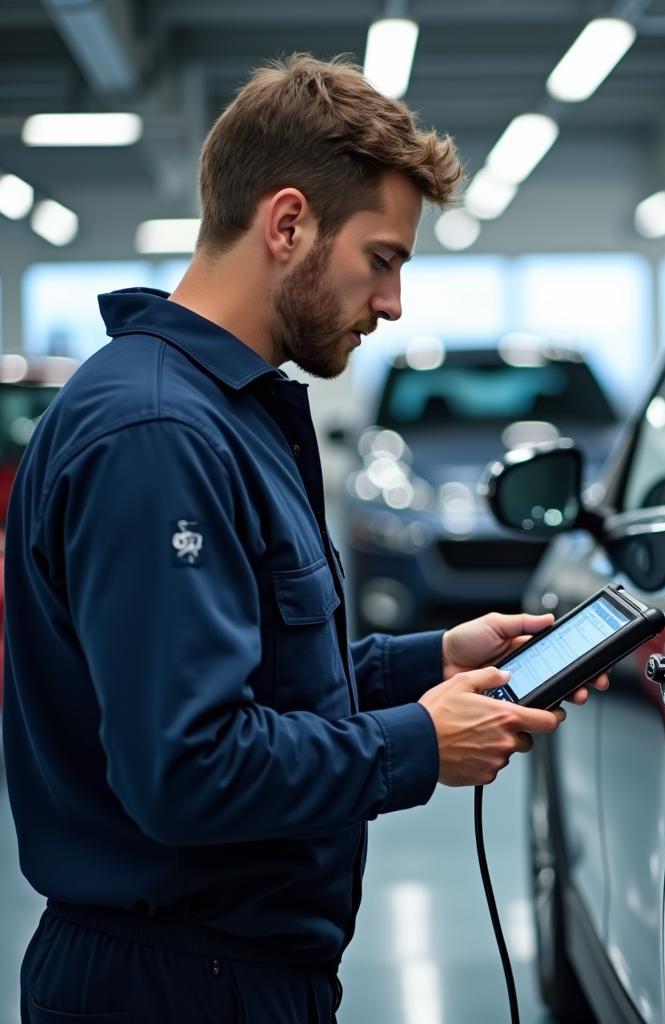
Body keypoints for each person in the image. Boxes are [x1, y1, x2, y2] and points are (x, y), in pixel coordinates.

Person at [3, 53, 602, 1022]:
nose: (394, 302)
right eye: (383, 257)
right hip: (173, 987)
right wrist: (418, 744)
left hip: (223, 972)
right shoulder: (157, 437)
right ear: (288, 224)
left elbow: (264, 677)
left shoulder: (228, 414)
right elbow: (187, 769)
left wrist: (429, 661)